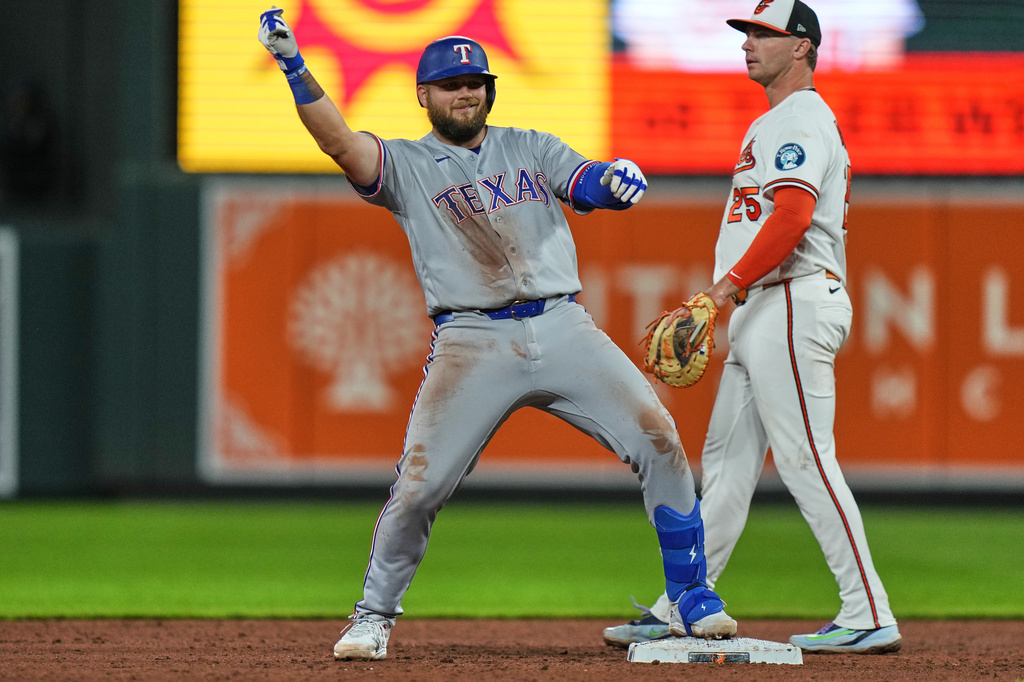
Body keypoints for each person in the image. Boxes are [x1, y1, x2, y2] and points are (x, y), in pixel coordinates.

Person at [257, 7, 738, 661]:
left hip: (564, 325)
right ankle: (372, 616)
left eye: (475, 83)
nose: (466, 92)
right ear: (424, 95)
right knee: (421, 486)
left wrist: (613, 180)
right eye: (452, 84)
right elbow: (340, 142)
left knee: (660, 441)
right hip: (471, 339)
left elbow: (585, 179)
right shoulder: (404, 164)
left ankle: (690, 596)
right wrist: (294, 65)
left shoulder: (530, 146)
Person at [604, 0, 901, 655]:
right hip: (766, 308)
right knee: (729, 467)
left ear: (802, 47)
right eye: (747, 33)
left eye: (764, 34)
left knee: (806, 458)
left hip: (790, 300)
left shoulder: (798, 118)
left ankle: (869, 609)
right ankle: (682, 602)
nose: (749, 44)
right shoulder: (776, 120)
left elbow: (792, 217)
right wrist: (736, 299)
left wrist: (724, 290)